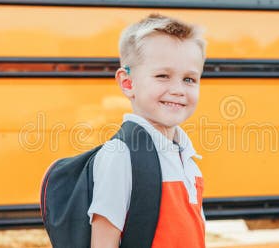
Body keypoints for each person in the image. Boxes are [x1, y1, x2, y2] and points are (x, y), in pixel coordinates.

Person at [88, 13, 207, 248]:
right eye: (163, 76)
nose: (178, 90)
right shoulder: (121, 155)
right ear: (128, 83)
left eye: (189, 79)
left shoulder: (187, 157)